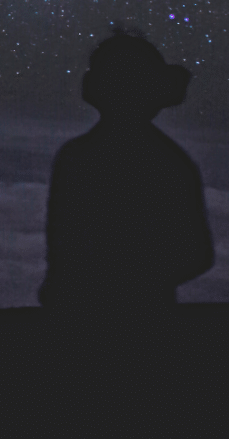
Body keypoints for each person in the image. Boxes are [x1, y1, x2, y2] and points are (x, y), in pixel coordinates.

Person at [38, 26, 214, 310]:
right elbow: (198, 254)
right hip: (143, 318)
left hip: (84, 317)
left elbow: (62, 247)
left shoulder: (77, 156)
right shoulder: (170, 161)